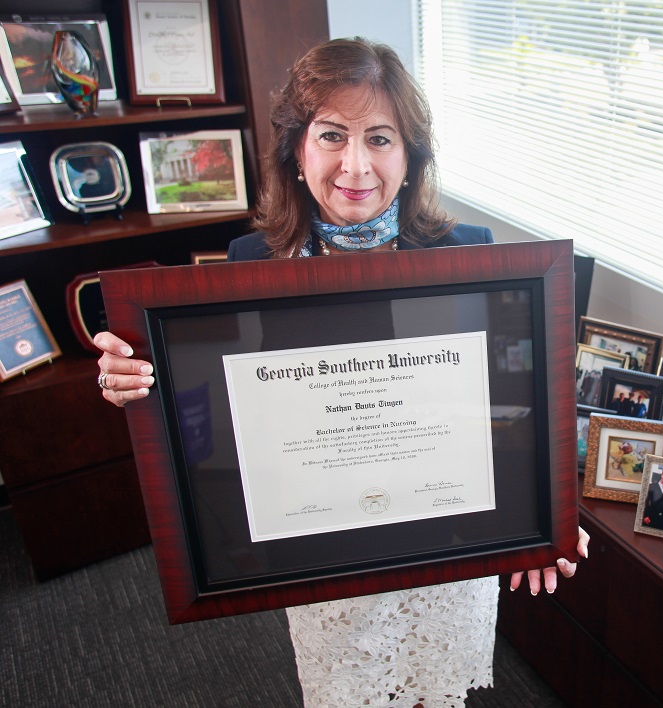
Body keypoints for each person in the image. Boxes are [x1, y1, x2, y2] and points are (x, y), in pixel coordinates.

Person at [92, 37, 590, 708]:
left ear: (411, 156)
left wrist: (548, 510)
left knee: (436, 692)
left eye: (380, 138)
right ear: (297, 151)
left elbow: (514, 400)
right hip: (324, 546)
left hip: (445, 537)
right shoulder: (251, 260)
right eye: (332, 135)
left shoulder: (473, 260)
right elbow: (208, 401)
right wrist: (130, 378)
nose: (356, 165)